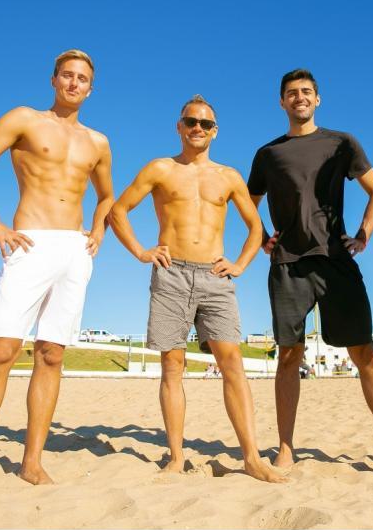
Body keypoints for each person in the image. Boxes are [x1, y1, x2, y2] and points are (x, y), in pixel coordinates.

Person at [0, 49, 114, 502]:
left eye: (83, 79)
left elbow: (107, 196)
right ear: (54, 79)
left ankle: (32, 461)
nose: (74, 84)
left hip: (74, 251)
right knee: (2, 349)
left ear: (92, 89)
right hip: (30, 241)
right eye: (68, 76)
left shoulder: (98, 141)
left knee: (52, 354)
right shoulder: (25, 119)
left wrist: (95, 234)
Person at [108, 95, 286, 484]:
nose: (198, 128)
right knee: (172, 366)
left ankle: (252, 457)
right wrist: (141, 251)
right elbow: (117, 211)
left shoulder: (229, 176)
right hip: (171, 275)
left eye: (205, 124)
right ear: (179, 126)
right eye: (191, 121)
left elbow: (256, 228)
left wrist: (239, 264)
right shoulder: (160, 168)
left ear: (215, 130)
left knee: (232, 363)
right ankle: (175, 456)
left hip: (215, 278)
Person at [248, 68, 373, 469]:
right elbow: (247, 202)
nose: (299, 97)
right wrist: (262, 235)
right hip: (288, 264)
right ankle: (285, 447)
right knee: (288, 355)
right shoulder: (268, 154)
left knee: (364, 353)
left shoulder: (342, 143)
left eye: (306, 92)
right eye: (291, 93)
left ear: (317, 99)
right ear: (281, 102)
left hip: (337, 261)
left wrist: (363, 234)